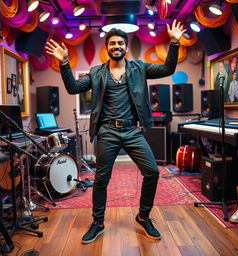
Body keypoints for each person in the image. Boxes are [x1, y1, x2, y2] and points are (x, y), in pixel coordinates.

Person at [45, 19, 186, 243]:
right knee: (101, 179)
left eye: (120, 43)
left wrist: (175, 42)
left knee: (152, 172)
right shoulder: (96, 72)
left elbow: (168, 68)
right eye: (112, 43)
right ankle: (97, 223)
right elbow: (73, 88)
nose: (116, 46)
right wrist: (64, 63)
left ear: (126, 47)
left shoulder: (139, 67)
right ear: (107, 48)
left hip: (133, 132)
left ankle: (143, 216)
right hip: (108, 132)